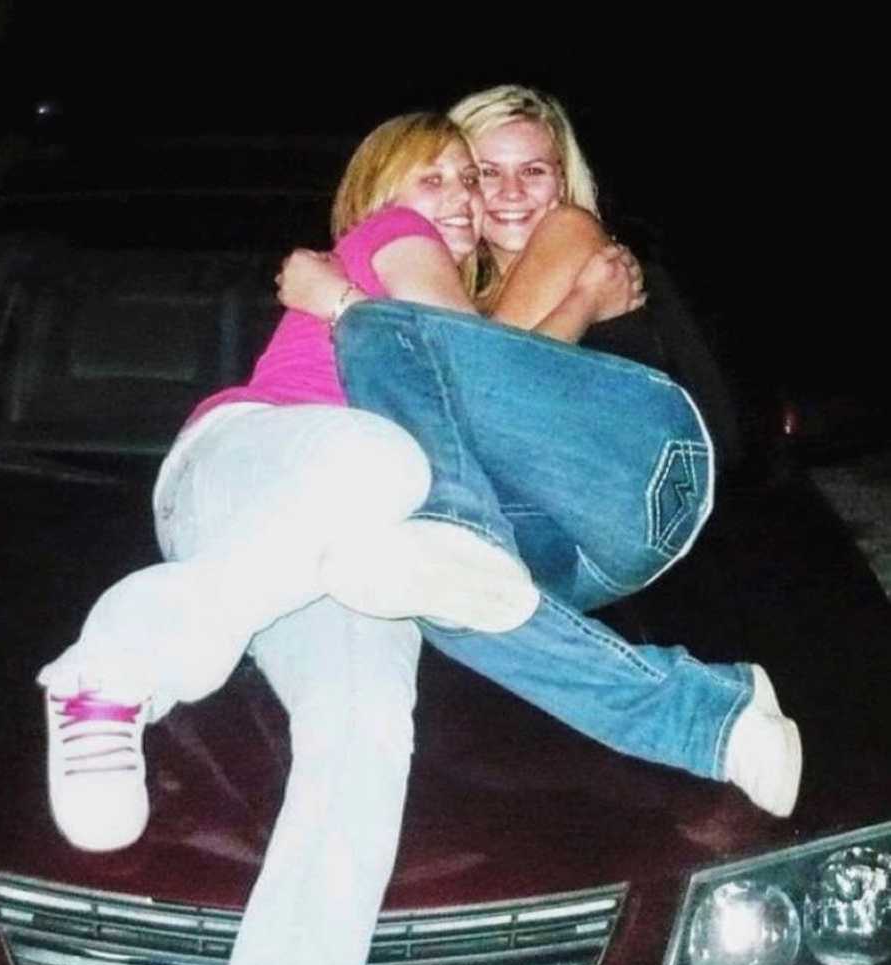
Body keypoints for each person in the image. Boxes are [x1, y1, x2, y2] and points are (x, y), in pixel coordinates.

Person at [36, 111, 637, 965]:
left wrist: (574, 305)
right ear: (378, 197)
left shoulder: (456, 286)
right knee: (384, 456)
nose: (462, 199)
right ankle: (113, 667)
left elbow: (493, 400)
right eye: (431, 178)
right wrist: (581, 304)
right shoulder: (386, 240)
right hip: (250, 464)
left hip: (341, 551)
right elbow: (468, 371)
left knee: (366, 726)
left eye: (464, 183)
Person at [277, 85, 802, 820]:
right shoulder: (469, 291)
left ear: (565, 178)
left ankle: (460, 531)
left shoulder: (569, 230)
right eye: (485, 172)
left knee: (380, 335)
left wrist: (341, 304)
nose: (511, 192)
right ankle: (716, 719)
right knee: (433, 588)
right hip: (577, 541)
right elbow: (478, 387)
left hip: (636, 473)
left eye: (536, 170)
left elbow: (483, 373)